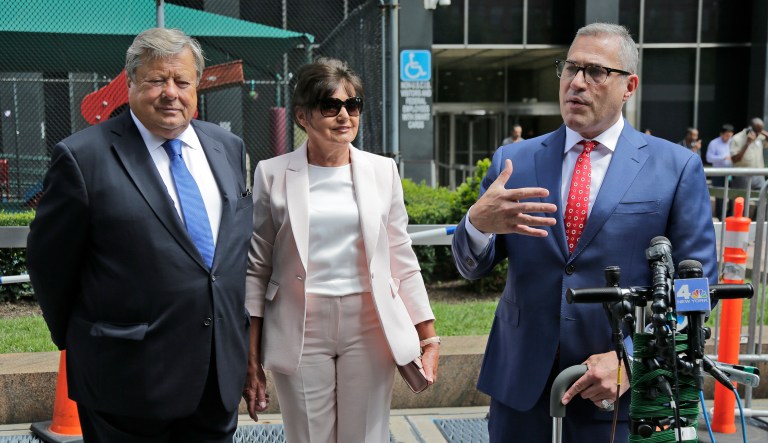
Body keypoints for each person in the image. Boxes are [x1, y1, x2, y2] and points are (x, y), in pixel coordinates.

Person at [451, 23, 717, 442]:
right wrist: (476, 226)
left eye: (595, 71)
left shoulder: (675, 168)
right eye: (570, 68)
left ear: (629, 85)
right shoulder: (513, 161)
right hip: (522, 388)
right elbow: (471, 267)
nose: (576, 82)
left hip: (617, 396)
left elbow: (696, 291)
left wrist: (631, 361)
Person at [26, 28, 253, 442]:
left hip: (215, 378)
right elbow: (49, 265)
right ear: (130, 83)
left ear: (196, 86)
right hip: (125, 382)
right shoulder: (82, 158)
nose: (171, 92)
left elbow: (229, 262)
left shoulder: (228, 148)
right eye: (156, 80)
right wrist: (79, 340)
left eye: (182, 81)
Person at [242, 57, 439, 443]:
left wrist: (428, 337)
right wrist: (251, 355)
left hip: (368, 322)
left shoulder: (382, 172)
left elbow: (401, 256)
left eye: (353, 105)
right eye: (330, 106)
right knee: (308, 437)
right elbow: (257, 268)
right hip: (299, 324)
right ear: (303, 115)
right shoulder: (272, 173)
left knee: (365, 435)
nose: (344, 116)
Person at [730, 117, 768, 192]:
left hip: (759, 175)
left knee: (763, 198)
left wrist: (762, 132)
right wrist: (747, 143)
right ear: (750, 128)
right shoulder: (737, 138)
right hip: (743, 175)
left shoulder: (759, 136)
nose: (758, 134)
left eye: (759, 131)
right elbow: (734, 160)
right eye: (757, 131)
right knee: (741, 200)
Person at [706, 123, 735, 219]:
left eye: (730, 136)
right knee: (720, 196)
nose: (728, 138)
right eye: (726, 135)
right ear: (721, 134)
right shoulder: (714, 143)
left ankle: (731, 215)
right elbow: (709, 158)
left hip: (731, 173)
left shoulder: (733, 142)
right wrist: (723, 158)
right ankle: (720, 216)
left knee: (732, 195)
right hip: (718, 173)